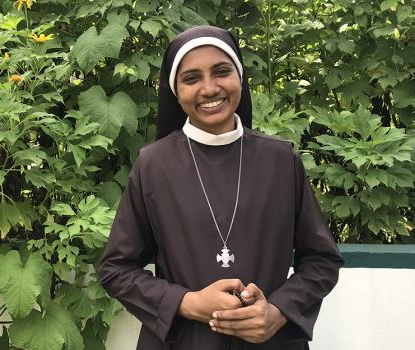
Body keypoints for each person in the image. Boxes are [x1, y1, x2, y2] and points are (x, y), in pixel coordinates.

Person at [97, 25, 344, 350]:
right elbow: (116, 268)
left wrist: (279, 311)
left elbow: (322, 260)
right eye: (191, 78)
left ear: (239, 78)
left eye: (221, 72)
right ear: (175, 90)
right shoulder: (153, 165)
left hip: (269, 342)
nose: (209, 88)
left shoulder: (281, 160)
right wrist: (186, 303)